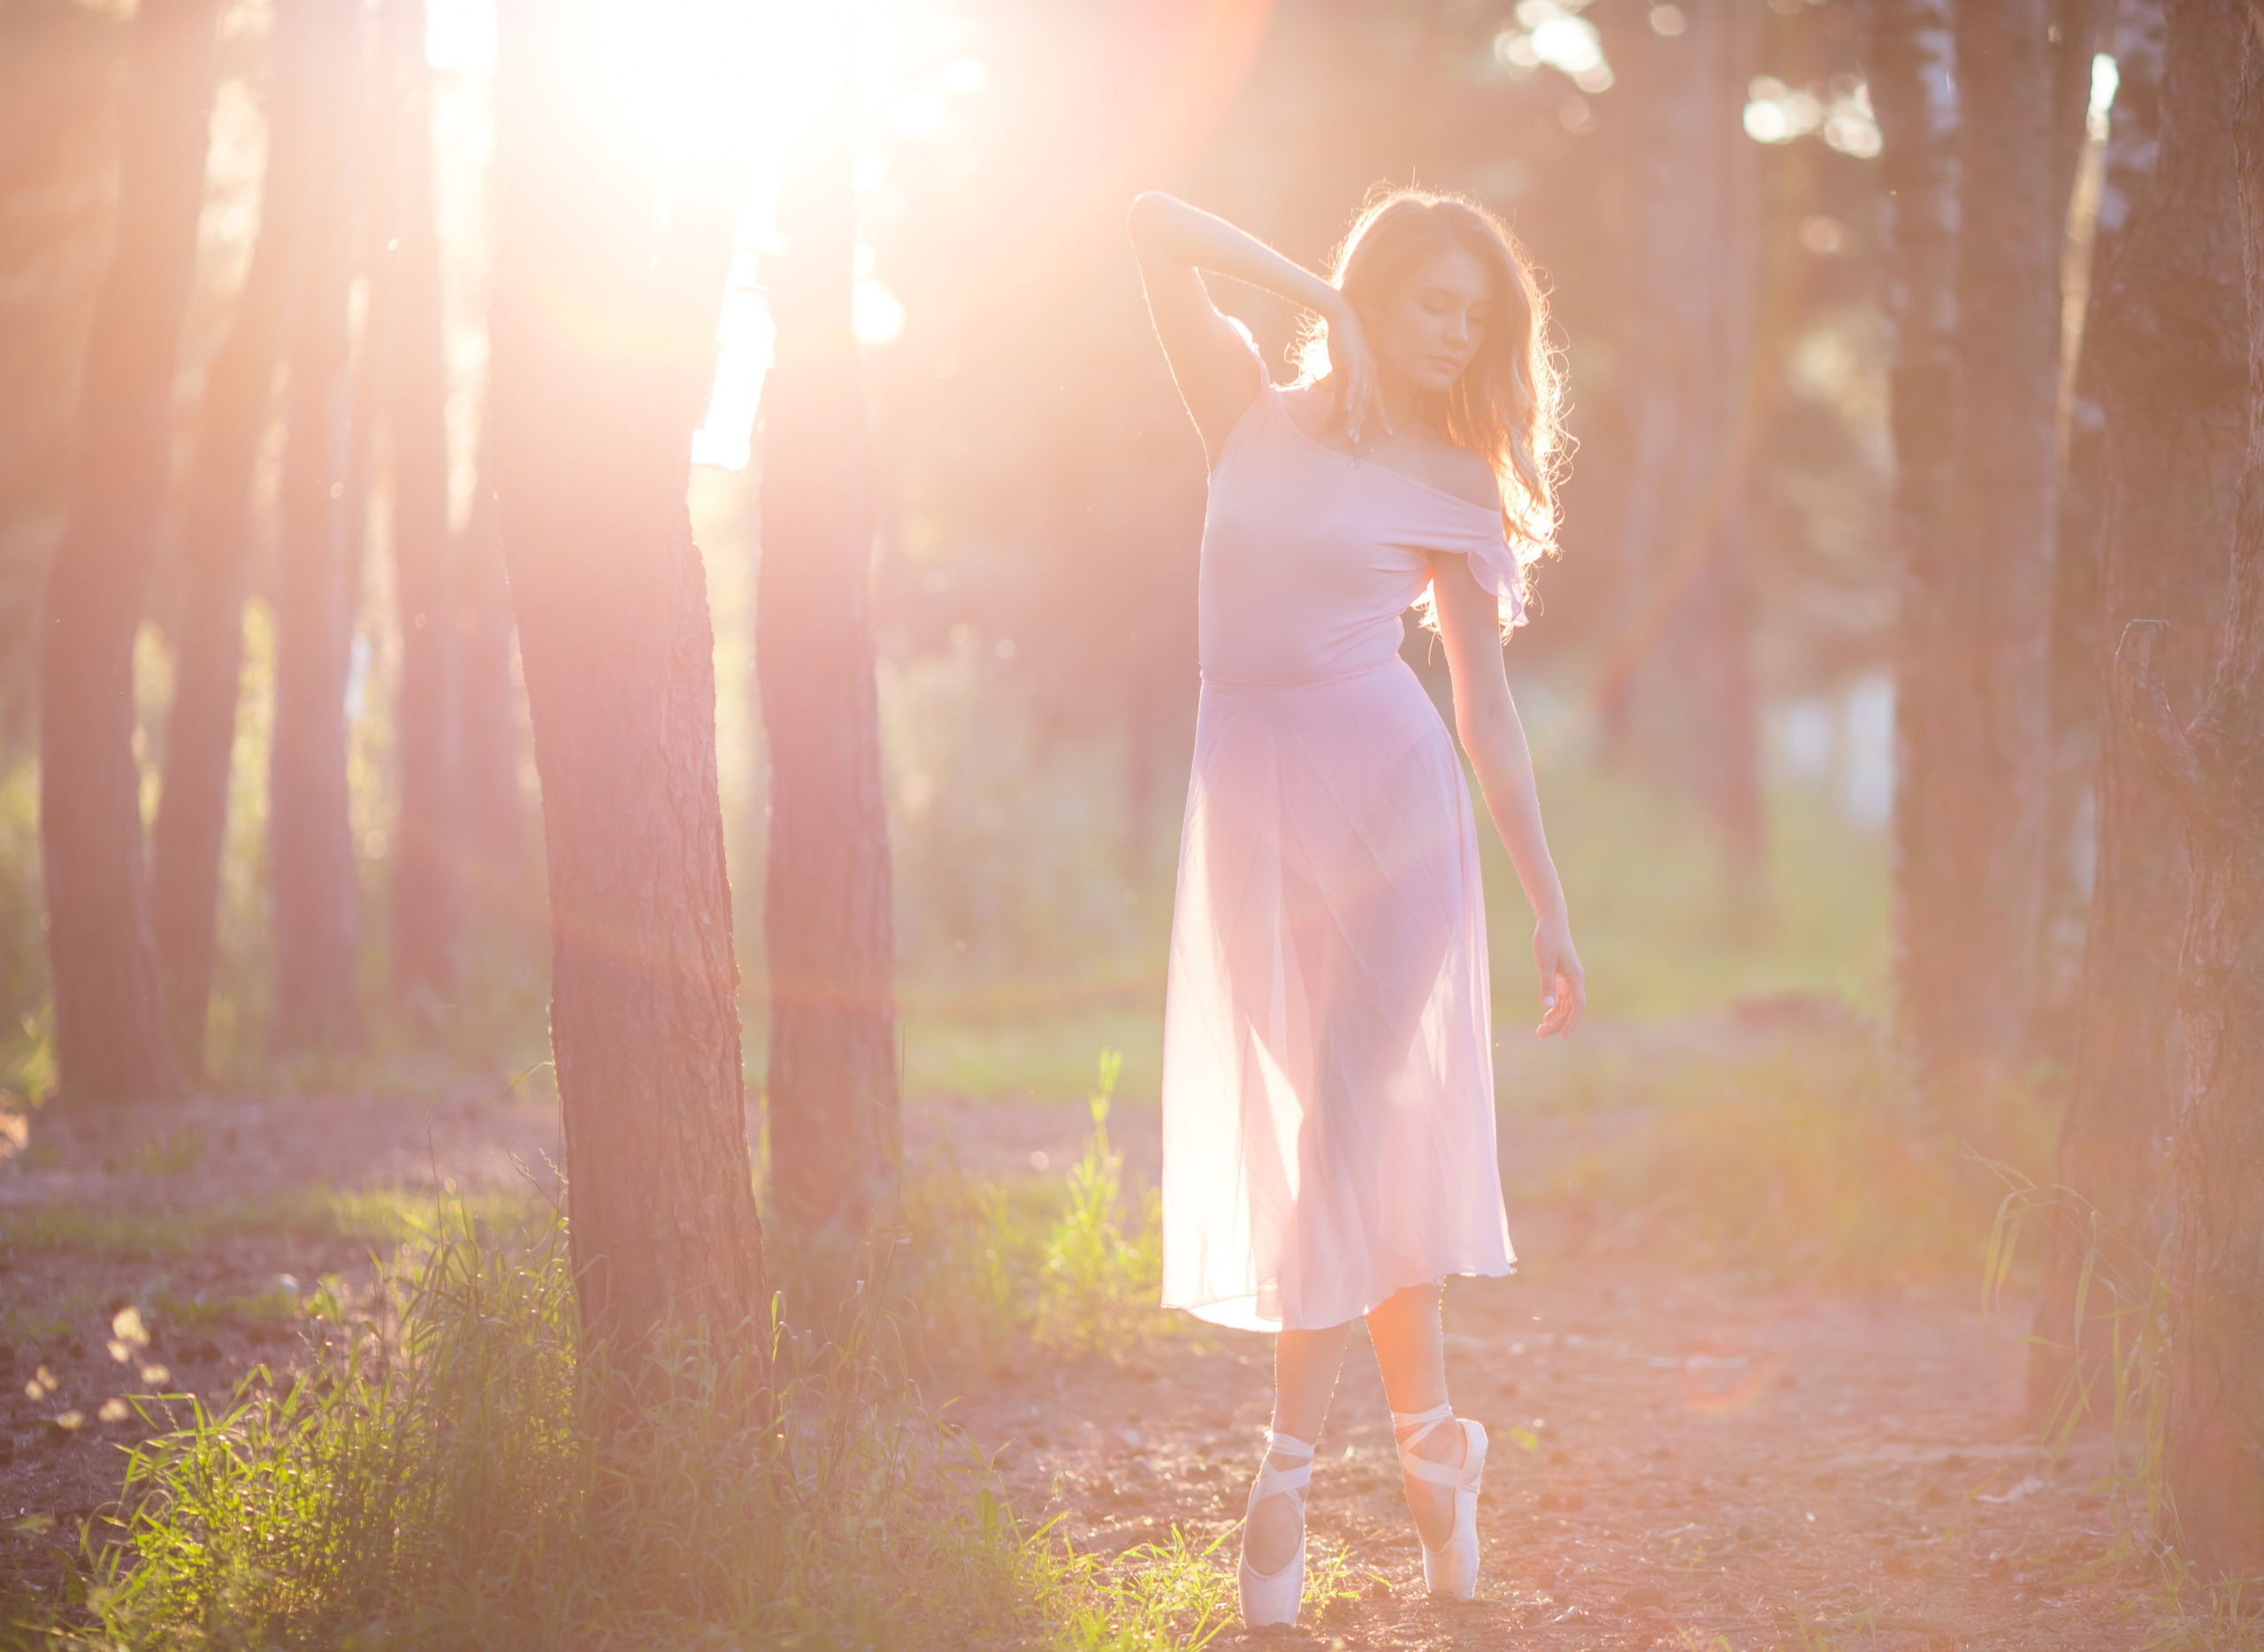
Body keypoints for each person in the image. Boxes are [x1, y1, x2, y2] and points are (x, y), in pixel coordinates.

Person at [1128, 185, 1586, 1626]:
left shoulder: (1452, 481)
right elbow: (1150, 220)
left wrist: (1547, 905)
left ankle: (1283, 1478)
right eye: (1431, 304)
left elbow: (1487, 712)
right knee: (1345, 1149)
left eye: (1477, 316)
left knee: (1332, 1126)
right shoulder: (1246, 410)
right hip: (1253, 813)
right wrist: (1318, 310)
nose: (1456, 336)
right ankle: (1438, 1454)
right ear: (1371, 295)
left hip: (1391, 816)